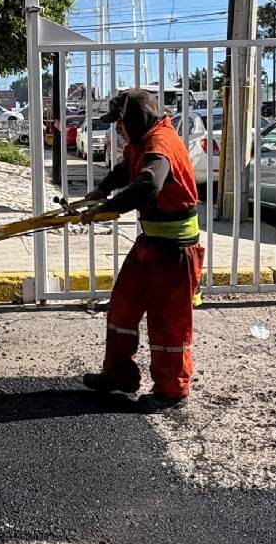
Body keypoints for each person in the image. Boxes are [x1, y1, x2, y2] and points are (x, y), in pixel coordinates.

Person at [79, 88, 204, 413]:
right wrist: (102, 190)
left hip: (175, 250)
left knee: (168, 323)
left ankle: (171, 389)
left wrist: (111, 207)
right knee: (123, 305)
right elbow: (127, 170)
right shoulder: (140, 142)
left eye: (119, 123)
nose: (117, 130)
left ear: (133, 120)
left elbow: (149, 183)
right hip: (151, 241)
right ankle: (119, 374)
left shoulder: (161, 144)